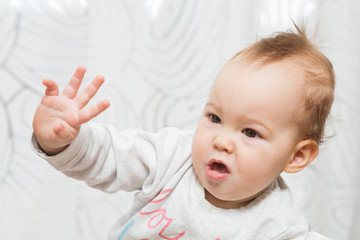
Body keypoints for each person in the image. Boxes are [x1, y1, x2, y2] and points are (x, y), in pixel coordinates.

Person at [31, 24, 335, 240]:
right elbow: (108, 157)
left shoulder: (279, 227)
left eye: (250, 133)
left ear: (297, 156)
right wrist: (63, 141)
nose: (221, 140)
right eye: (215, 117)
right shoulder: (171, 158)